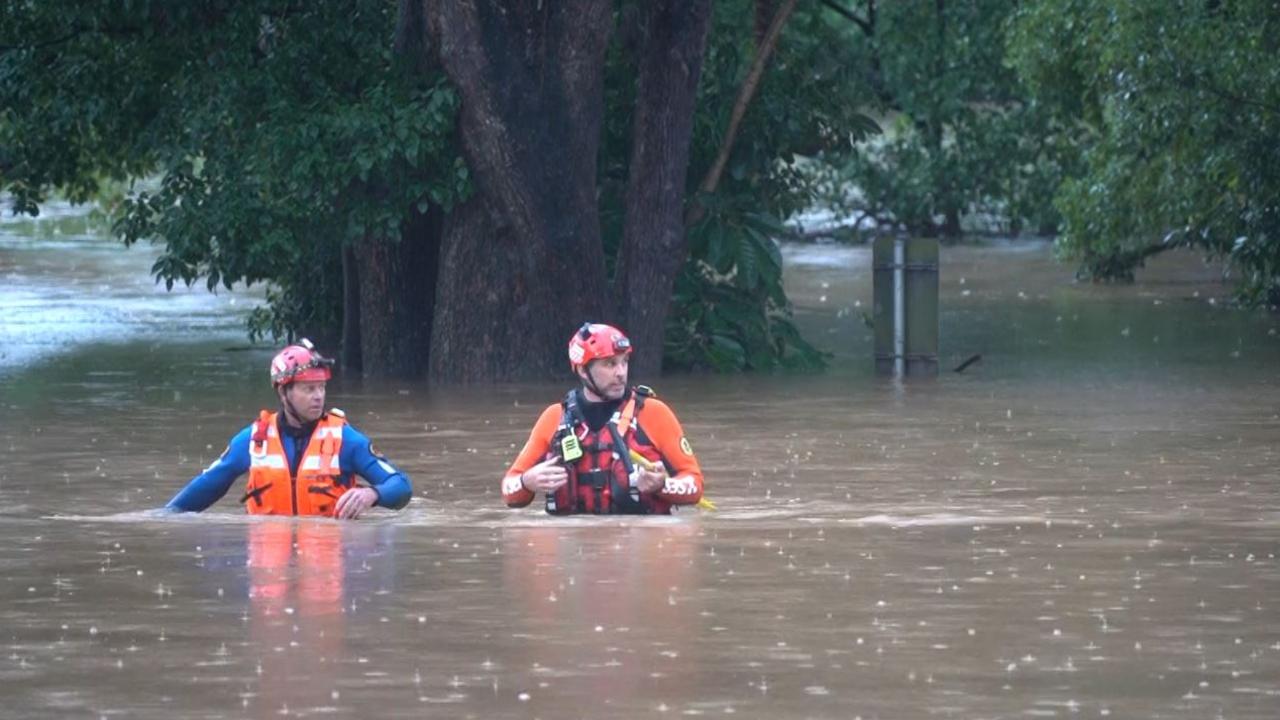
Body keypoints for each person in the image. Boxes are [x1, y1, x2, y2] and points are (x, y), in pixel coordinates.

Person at [166, 339, 411, 518]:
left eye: (321, 388)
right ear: (284, 392)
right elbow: (205, 487)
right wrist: (159, 519)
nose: (318, 397)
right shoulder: (253, 441)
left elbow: (400, 486)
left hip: (327, 564)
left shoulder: (346, 440)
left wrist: (372, 495)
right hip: (269, 569)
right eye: (308, 389)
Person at [502, 323, 703, 514]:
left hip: (636, 543)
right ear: (582, 370)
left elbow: (694, 485)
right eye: (610, 364)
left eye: (624, 362)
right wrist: (526, 482)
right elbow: (509, 490)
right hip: (572, 544)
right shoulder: (553, 417)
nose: (621, 373)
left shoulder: (654, 413)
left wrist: (663, 485)